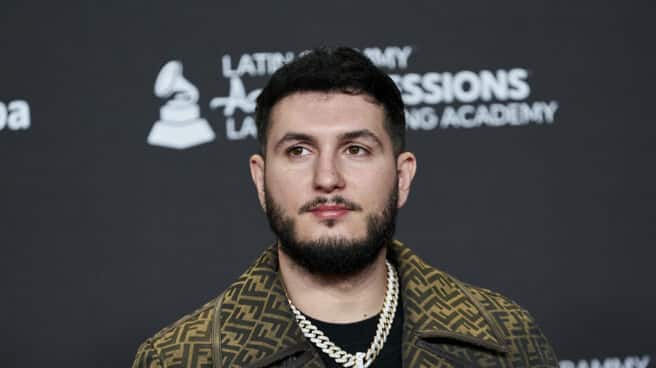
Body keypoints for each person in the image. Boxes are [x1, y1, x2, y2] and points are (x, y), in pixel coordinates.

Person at [132, 47, 558, 368]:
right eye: (299, 150)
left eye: (355, 149)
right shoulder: (182, 358)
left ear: (402, 176)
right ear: (260, 180)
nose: (328, 177)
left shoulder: (506, 338)